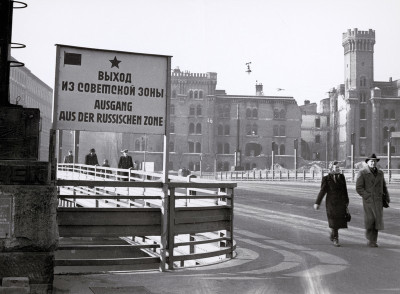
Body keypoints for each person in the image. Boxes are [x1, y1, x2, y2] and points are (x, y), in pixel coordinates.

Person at [356, 154, 390, 247]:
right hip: (369, 201)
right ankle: (370, 239)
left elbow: (384, 186)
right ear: (367, 162)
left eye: (375, 161)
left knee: (377, 220)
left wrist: (386, 197)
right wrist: (367, 196)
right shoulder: (362, 172)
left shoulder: (380, 173)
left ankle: (373, 240)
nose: (373, 163)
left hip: (378, 200)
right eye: (371, 161)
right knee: (370, 220)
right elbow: (359, 188)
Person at [314, 161, 349, 247]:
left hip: (341, 203)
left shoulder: (341, 177)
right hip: (331, 203)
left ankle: (333, 234)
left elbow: (345, 190)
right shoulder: (326, 178)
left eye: (338, 167)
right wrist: (317, 202)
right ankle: (336, 239)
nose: (338, 169)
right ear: (331, 168)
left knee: (339, 221)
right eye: (336, 167)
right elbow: (322, 191)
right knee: (333, 221)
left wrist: (347, 201)